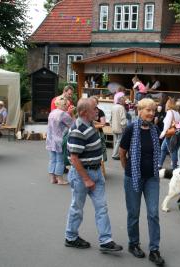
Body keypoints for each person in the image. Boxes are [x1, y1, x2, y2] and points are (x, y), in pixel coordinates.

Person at [65, 98, 123, 252]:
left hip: (95, 172)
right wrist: (86, 179)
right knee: (77, 207)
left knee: (101, 207)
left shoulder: (89, 124)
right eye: (94, 109)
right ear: (84, 112)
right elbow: (74, 158)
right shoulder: (78, 129)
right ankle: (70, 237)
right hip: (83, 175)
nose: (97, 111)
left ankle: (106, 241)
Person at [119, 98, 165, 266]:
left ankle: (154, 250)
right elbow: (122, 152)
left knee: (153, 213)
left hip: (152, 177)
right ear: (140, 111)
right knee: (134, 213)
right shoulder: (131, 128)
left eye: (153, 111)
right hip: (133, 177)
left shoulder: (155, 129)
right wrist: (128, 171)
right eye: (148, 110)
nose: (152, 114)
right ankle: (133, 244)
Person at [46, 97, 74, 185]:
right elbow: (73, 125)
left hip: (50, 139)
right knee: (60, 160)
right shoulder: (63, 114)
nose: (67, 106)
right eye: (66, 104)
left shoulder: (52, 113)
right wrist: (72, 114)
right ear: (63, 104)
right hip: (59, 140)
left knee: (52, 159)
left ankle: (52, 178)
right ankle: (60, 179)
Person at [158, 98, 180, 169]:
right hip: (175, 133)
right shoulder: (177, 112)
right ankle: (159, 164)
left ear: (169, 104)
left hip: (169, 134)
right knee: (163, 148)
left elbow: (167, 125)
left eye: (167, 103)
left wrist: (162, 135)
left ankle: (174, 168)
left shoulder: (169, 112)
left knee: (172, 150)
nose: (165, 105)